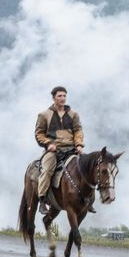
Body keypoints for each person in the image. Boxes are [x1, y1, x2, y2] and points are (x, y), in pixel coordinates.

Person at [34, 86, 94, 214]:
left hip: (71, 149)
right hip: (53, 150)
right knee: (47, 170)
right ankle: (43, 200)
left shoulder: (73, 114)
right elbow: (39, 133)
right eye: (59, 96)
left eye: (64, 96)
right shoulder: (44, 115)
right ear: (53, 98)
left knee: (88, 167)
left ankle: (89, 199)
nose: (62, 98)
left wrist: (79, 145)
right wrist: (48, 144)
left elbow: (78, 130)